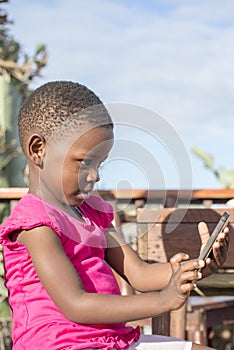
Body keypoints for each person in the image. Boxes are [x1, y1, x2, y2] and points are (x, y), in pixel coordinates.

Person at [0, 81, 229, 350]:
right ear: (39, 149)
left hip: (109, 341)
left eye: (100, 163)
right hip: (59, 344)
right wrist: (163, 301)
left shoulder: (91, 213)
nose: (95, 174)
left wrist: (194, 270)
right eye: (85, 162)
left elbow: (139, 273)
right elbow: (76, 304)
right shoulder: (35, 223)